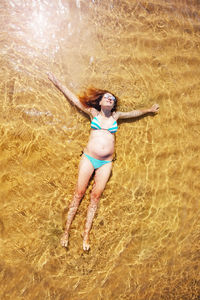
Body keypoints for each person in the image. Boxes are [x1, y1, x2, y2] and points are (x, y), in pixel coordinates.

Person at [47, 72, 159, 251]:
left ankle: (86, 235)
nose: (110, 99)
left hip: (106, 163)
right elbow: (75, 101)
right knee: (79, 194)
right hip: (89, 159)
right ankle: (66, 231)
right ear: (100, 103)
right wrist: (58, 83)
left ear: (113, 105)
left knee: (95, 197)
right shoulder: (93, 113)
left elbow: (134, 113)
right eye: (107, 97)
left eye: (112, 99)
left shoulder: (116, 117)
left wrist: (148, 110)